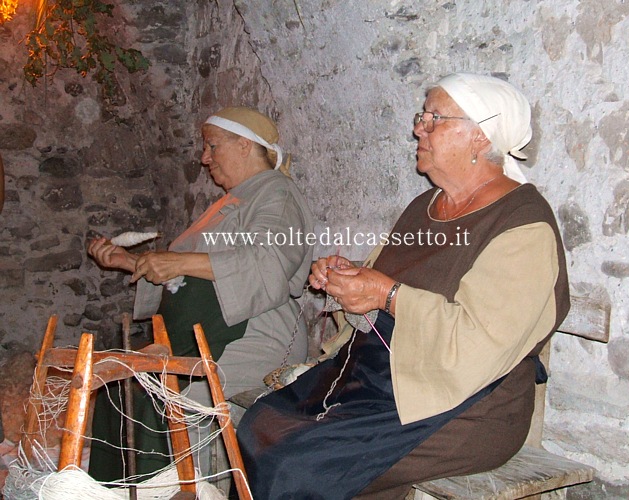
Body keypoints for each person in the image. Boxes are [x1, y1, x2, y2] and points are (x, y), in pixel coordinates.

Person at [236, 73, 570, 499]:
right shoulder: (425, 206)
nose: (418, 128)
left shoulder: (523, 226)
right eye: (422, 116)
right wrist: (349, 277)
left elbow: (478, 343)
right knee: (261, 424)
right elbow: (397, 281)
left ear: (479, 138)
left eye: (435, 118)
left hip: (464, 406)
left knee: (296, 462)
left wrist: (386, 295)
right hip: (383, 379)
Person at [87, 107, 315, 480]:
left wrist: (177, 262)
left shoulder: (277, 193)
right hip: (202, 335)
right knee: (121, 390)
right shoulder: (228, 203)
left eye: (211, 145)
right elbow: (187, 272)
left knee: (165, 399)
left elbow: (268, 262)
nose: (204, 157)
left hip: (254, 336)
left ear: (244, 145)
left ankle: (187, 488)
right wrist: (130, 262)